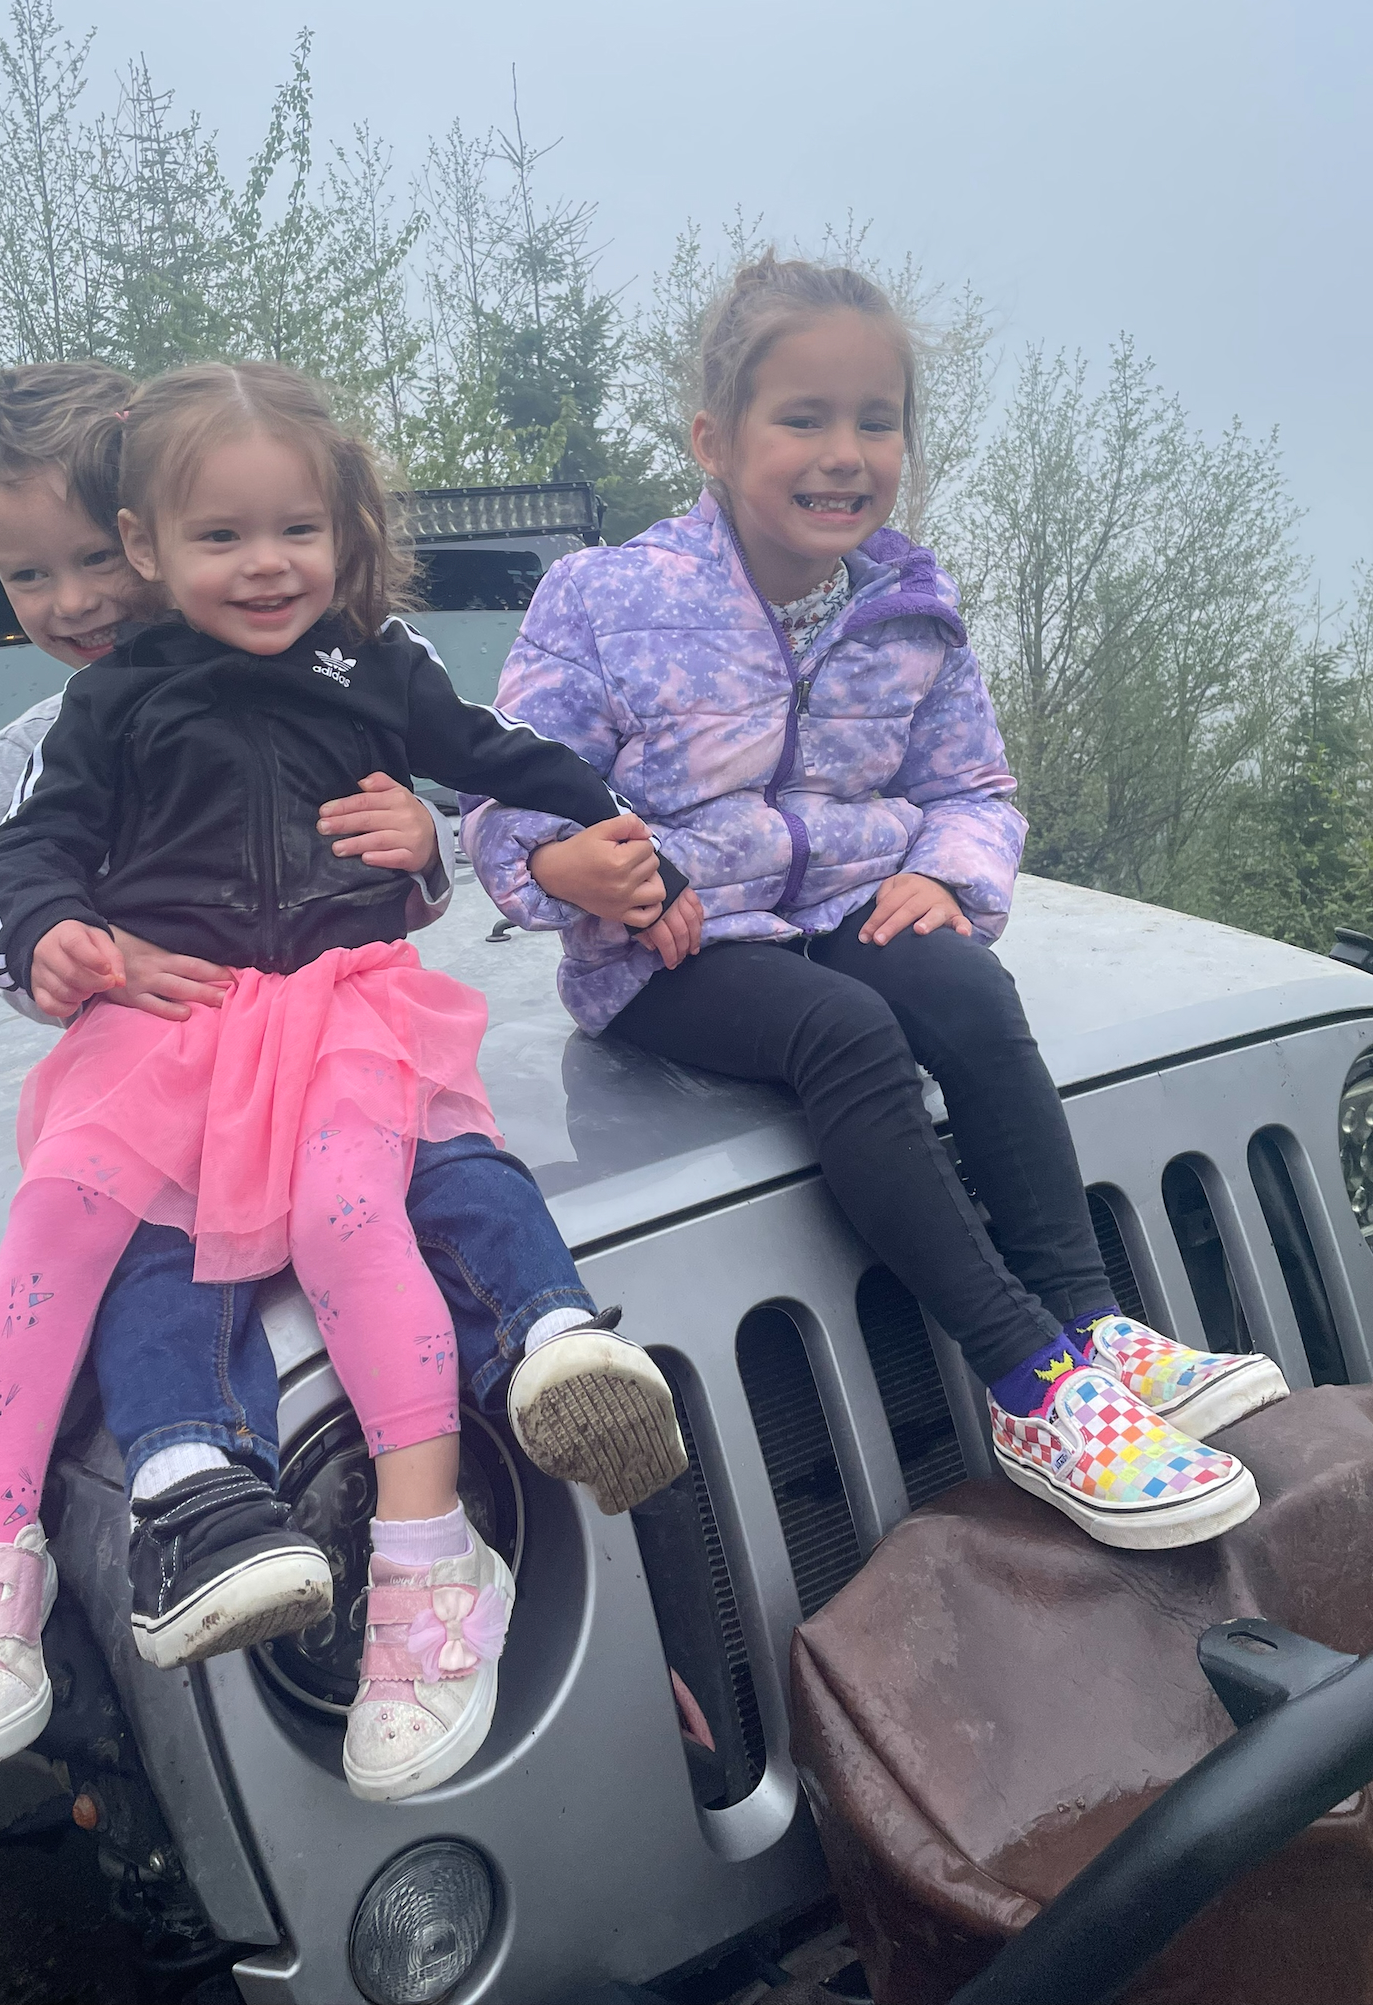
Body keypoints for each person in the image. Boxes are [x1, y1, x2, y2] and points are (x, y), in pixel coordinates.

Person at [0, 360, 686, 1803]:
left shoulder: (355, 665)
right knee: (94, 1236)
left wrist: (427, 838)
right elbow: (26, 875)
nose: (76, 602)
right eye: (34, 573)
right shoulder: (70, 725)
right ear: (165, 538)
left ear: (137, 530)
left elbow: (452, 788)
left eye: (91, 556)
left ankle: (497, 1462)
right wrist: (67, 939)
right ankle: (75, 1541)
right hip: (164, 1054)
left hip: (329, 1021)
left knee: (382, 1195)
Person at [462, 256, 1289, 1554]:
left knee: (961, 982)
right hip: (677, 946)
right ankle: (1032, 1386)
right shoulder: (609, 598)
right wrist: (563, 864)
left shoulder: (908, 607)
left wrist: (946, 870)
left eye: (876, 419)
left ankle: (1093, 1324)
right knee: (843, 1033)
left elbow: (973, 785)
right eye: (804, 418)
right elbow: (510, 781)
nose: (845, 452)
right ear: (715, 438)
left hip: (848, 902)